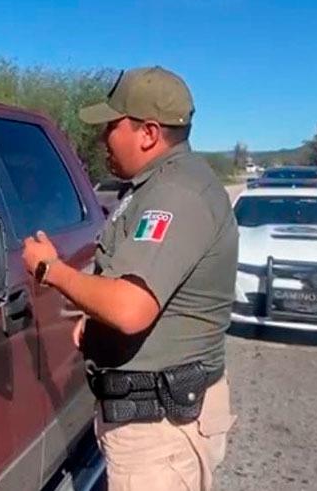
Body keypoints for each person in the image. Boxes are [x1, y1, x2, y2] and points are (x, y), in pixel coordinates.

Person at [21, 66, 238, 491]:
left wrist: (50, 269)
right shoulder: (157, 185)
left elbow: (130, 308)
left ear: (148, 133)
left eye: (112, 126)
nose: (103, 138)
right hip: (149, 417)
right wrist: (96, 321)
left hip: (159, 430)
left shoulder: (175, 195)